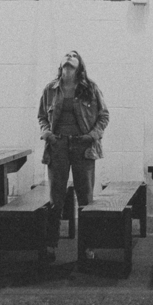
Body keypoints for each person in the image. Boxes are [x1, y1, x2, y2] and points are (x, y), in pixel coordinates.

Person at [37, 50, 109, 261]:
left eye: (73, 55)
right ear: (61, 64)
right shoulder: (50, 89)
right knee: (55, 199)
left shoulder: (90, 88)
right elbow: (42, 116)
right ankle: (51, 245)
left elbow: (104, 116)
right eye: (66, 55)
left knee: (85, 198)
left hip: (82, 146)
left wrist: (92, 136)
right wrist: (47, 133)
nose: (69, 56)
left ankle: (87, 248)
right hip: (57, 146)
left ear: (80, 66)